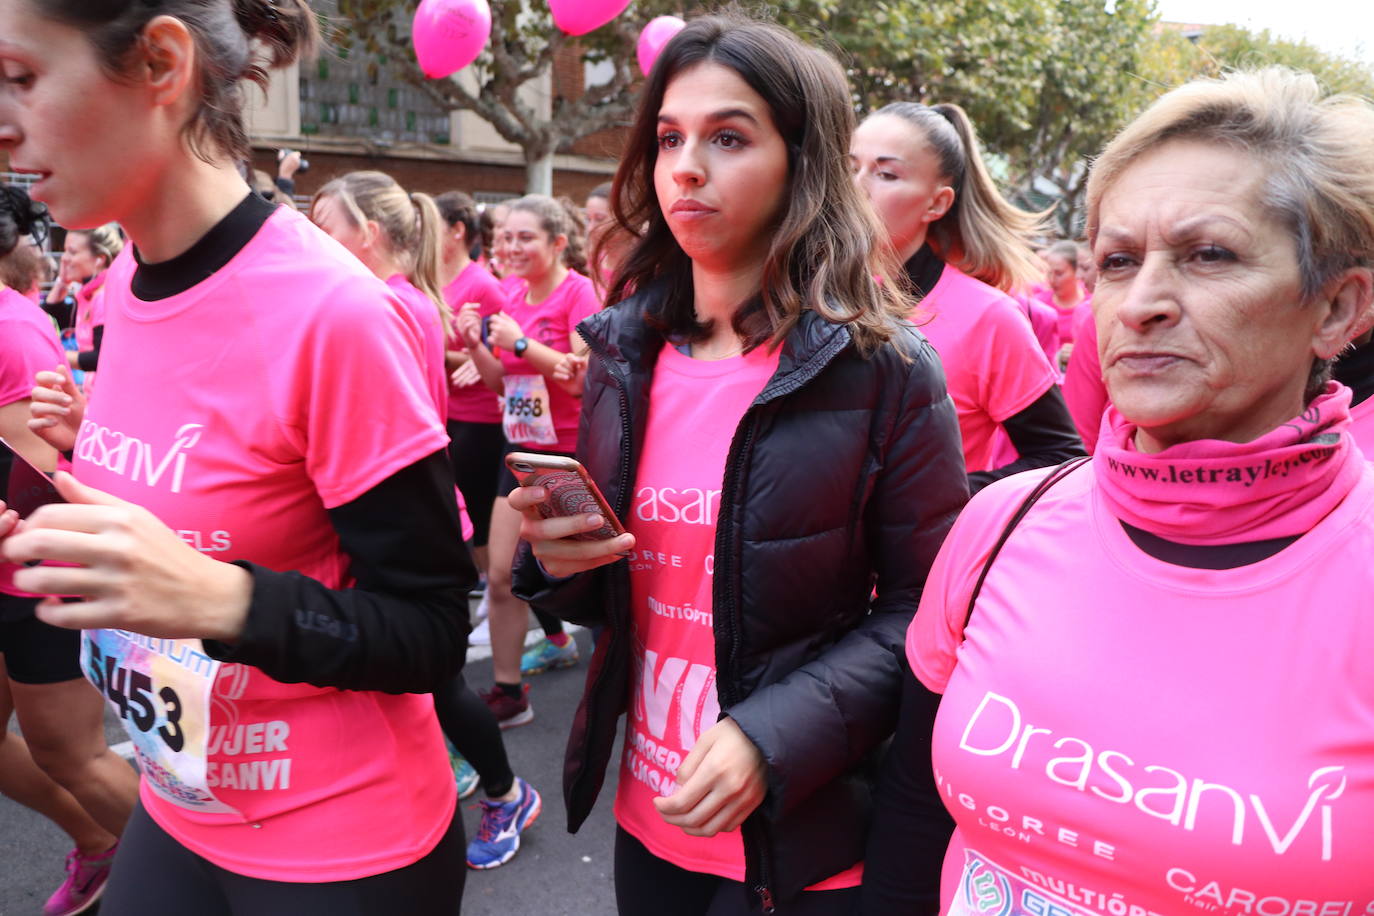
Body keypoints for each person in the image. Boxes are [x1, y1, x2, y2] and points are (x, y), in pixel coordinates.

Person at [0, 2, 477, 913]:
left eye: (20, 75)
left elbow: (431, 630)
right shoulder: (129, 285)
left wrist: (220, 598)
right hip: (180, 809)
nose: (0, 117)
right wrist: (52, 542)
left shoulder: (334, 315)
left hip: (343, 843)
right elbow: (177, 519)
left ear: (161, 64)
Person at [876, 67, 1374, 912]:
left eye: (1208, 254)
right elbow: (912, 815)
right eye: (1116, 260)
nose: (1140, 303)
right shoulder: (1001, 523)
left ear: (1336, 309)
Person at [509, 13, 968, 913]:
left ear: (804, 161)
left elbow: (928, 616)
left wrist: (772, 736)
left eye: (728, 137)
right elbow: (610, 586)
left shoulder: (887, 369)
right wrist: (552, 563)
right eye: (670, 138)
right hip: (651, 814)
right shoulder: (620, 352)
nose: (686, 165)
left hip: (805, 843)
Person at [309, 171, 543, 871]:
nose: (312, 243)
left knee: (432, 673)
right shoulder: (392, 299)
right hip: (393, 507)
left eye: (325, 228)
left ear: (368, 235)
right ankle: (453, 773)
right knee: (401, 674)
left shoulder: (387, 305)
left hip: (412, 512)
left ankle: (504, 790)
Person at [0, 184, 137, 916]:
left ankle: (212, 885)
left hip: (36, 575)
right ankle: (100, 845)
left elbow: (33, 485)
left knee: (70, 753)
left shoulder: (14, 331)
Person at [852, 101, 1083, 491]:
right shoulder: (818, 297)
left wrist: (940, 497)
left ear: (937, 203)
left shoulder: (989, 317)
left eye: (886, 174)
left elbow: (1061, 459)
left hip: (934, 549)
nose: (857, 187)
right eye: (849, 167)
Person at [1040, 238, 1087, 368]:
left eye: (1059, 273)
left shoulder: (1092, 304)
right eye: (1049, 273)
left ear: (1077, 271)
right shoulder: (1039, 306)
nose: (1052, 280)